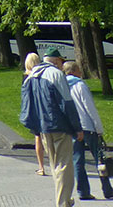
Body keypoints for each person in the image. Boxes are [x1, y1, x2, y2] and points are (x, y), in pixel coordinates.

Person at [21, 50, 84, 207]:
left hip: (43, 127)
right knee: (64, 165)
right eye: (61, 61)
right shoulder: (56, 74)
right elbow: (67, 103)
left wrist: (35, 127)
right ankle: (64, 202)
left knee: (55, 165)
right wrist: (77, 127)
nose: (62, 65)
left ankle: (63, 199)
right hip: (59, 126)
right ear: (56, 61)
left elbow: (28, 105)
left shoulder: (31, 76)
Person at [63, 61, 113, 201]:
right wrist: (98, 128)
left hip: (72, 128)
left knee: (78, 160)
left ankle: (83, 191)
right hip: (87, 127)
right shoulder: (80, 85)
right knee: (99, 159)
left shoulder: (62, 87)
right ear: (75, 71)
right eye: (79, 70)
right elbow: (90, 108)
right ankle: (107, 189)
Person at [26, 54, 48, 176]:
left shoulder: (27, 77)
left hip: (34, 111)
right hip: (44, 110)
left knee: (38, 138)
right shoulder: (43, 75)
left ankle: (41, 167)